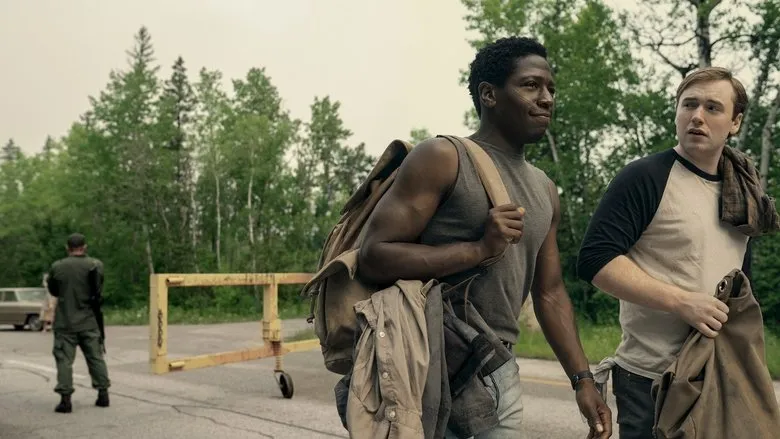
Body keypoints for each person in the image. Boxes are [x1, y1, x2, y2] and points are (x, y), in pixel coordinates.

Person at [357, 36, 612, 439]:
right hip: (431, 366)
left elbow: (549, 293)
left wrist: (583, 380)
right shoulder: (443, 157)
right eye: (531, 85)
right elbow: (374, 255)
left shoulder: (545, 189)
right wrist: (478, 249)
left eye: (551, 88)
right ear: (489, 94)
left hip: (498, 369)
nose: (547, 98)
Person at [577, 67, 762, 439]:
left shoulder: (744, 192)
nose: (697, 116)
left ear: (735, 122)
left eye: (713, 107)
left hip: (717, 376)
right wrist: (681, 302)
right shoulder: (645, 177)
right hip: (650, 379)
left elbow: (741, 284)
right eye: (689, 105)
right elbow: (595, 260)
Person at [46, 233, 111, 413]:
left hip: (65, 322)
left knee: (64, 360)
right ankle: (103, 394)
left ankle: (65, 400)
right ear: (85, 247)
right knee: (95, 357)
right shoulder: (96, 265)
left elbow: (54, 290)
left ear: (67, 248)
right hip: (89, 320)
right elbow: (98, 289)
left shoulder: (58, 266)